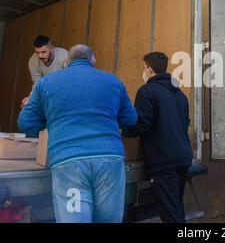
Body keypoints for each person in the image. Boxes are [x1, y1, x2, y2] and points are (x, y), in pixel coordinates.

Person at [18, 44, 137, 223]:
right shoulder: (114, 82)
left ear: (66, 62)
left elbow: (26, 123)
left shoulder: (46, 84)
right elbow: (131, 119)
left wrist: (51, 117)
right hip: (110, 158)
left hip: (68, 159)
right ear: (93, 60)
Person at [124, 52, 192, 223]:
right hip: (183, 158)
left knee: (169, 212)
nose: (144, 71)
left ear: (150, 69)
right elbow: (185, 122)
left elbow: (142, 124)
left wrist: (124, 132)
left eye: (145, 67)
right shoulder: (180, 94)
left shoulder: (147, 92)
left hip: (163, 160)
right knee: (176, 207)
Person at [21, 35, 68, 108]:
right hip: (47, 93)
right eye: (37, 52)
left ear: (52, 48)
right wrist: (31, 98)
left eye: (43, 52)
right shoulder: (33, 61)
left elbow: (71, 79)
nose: (40, 56)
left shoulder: (64, 55)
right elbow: (37, 83)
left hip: (64, 91)